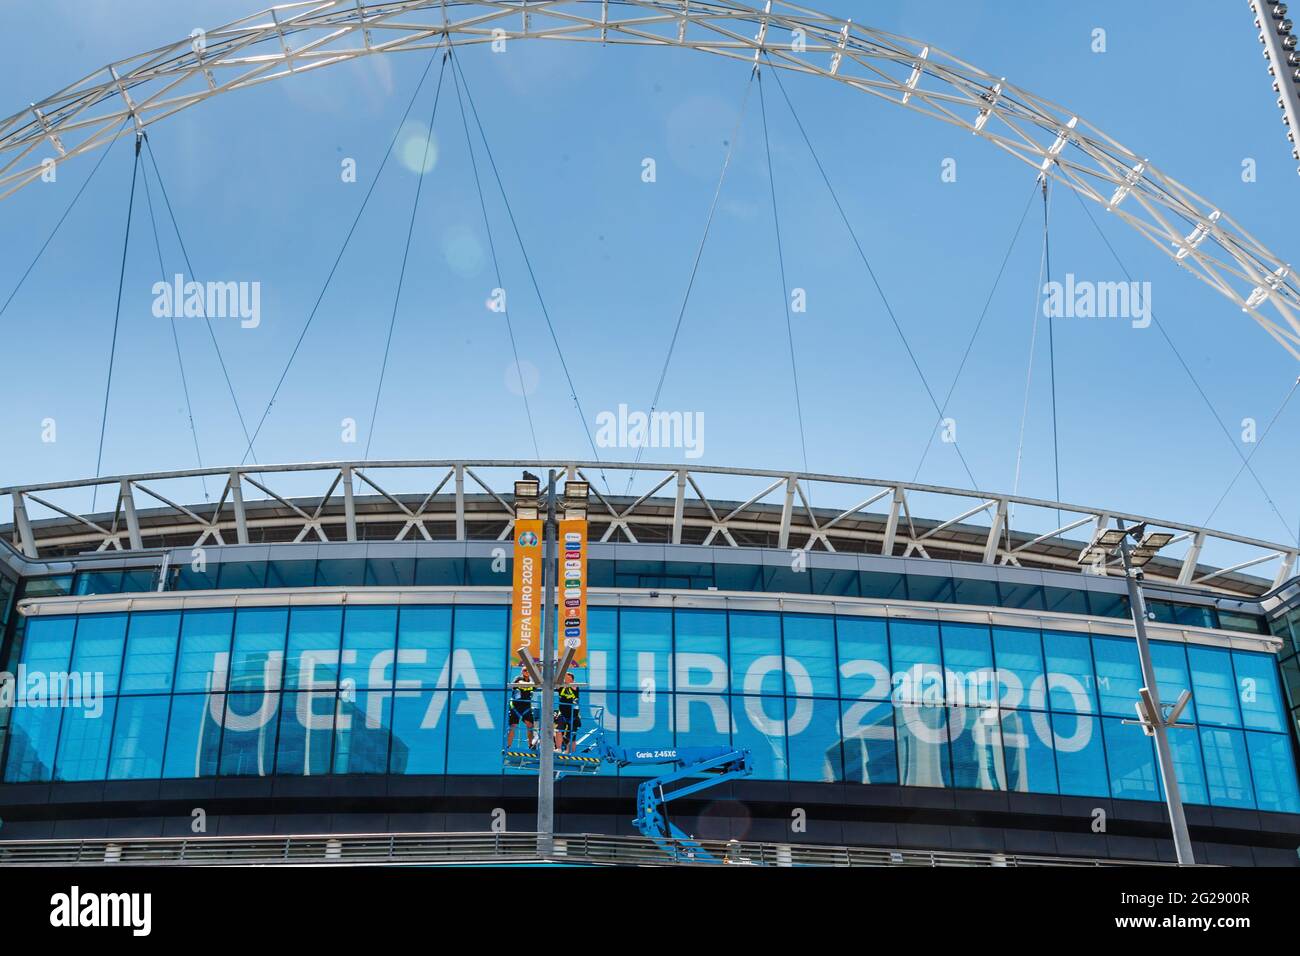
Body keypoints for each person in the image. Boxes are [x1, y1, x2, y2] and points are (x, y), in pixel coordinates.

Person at [505, 668, 537, 750]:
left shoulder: (530, 681)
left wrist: (533, 684)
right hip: (516, 707)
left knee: (530, 725)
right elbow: (522, 684)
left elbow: (535, 686)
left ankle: (531, 746)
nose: (526, 672)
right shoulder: (518, 678)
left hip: (526, 707)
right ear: (522, 672)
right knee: (513, 725)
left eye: (528, 670)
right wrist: (532, 684)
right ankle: (508, 746)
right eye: (525, 670)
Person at [554, 672, 582, 753]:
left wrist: (565, 675)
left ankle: (570, 753)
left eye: (567, 677)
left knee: (572, 736)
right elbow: (556, 685)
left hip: (574, 714)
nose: (565, 678)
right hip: (563, 713)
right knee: (559, 730)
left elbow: (573, 687)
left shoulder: (574, 686)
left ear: (571, 679)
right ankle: (558, 748)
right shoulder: (561, 686)